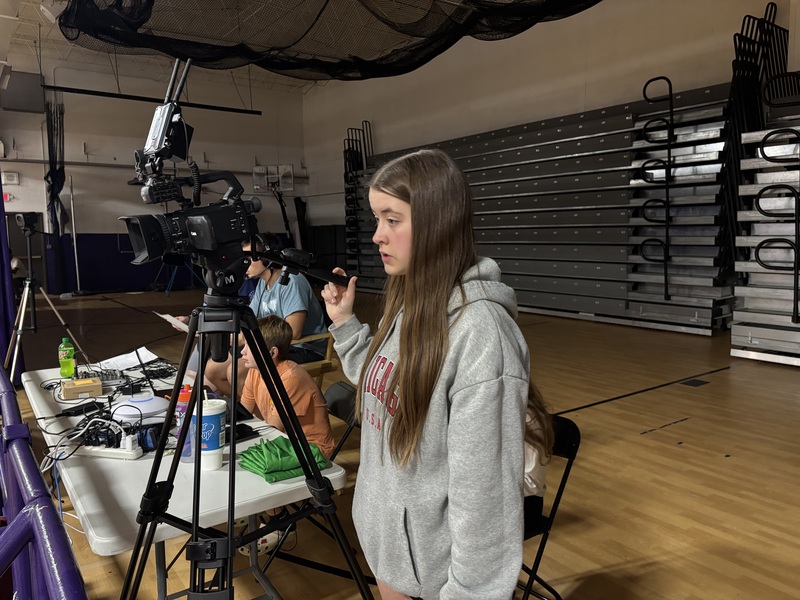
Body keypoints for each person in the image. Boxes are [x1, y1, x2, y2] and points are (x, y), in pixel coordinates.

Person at [321, 148, 553, 600]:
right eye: (376, 219)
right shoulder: (411, 303)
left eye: (392, 219)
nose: (376, 237)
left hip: (432, 574)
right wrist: (346, 326)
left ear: (436, 222)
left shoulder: (482, 334)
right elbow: (384, 385)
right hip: (392, 547)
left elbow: (485, 501)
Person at [180, 233, 327, 396]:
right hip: (271, 344)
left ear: (268, 259)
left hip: (303, 348)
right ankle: (247, 407)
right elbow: (248, 320)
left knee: (235, 371)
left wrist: (246, 338)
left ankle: (256, 413)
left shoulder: (292, 280)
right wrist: (217, 327)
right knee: (212, 370)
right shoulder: (262, 284)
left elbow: (294, 331)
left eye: (249, 258)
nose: (243, 264)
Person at [237, 314, 335, 554]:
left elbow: (272, 429)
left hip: (312, 448)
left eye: (248, 348)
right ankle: (260, 509)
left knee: (259, 461)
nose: (242, 353)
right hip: (286, 440)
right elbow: (243, 414)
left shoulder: (289, 378)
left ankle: (280, 519)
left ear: (271, 353)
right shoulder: (256, 370)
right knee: (242, 451)